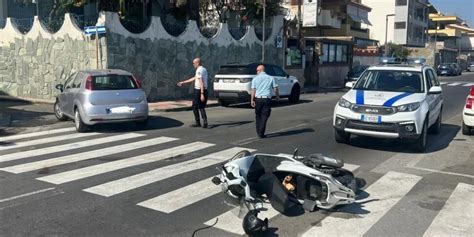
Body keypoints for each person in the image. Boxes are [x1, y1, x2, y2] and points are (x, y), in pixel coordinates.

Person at [177, 58, 209, 128]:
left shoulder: (199, 70)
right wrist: (183, 82)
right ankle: (203, 122)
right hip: (203, 90)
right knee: (200, 106)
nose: (193, 64)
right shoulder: (203, 69)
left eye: (194, 63)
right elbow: (195, 78)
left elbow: (201, 81)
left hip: (199, 90)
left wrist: (202, 94)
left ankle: (199, 122)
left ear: (197, 63)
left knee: (196, 106)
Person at [251, 64, 279, 138]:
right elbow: (275, 88)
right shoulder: (270, 78)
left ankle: (259, 131)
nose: (256, 72)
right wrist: (277, 96)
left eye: (257, 70)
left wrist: (252, 100)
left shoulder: (255, 79)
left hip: (258, 99)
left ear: (260, 70)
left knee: (258, 115)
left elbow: (253, 90)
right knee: (265, 115)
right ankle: (261, 132)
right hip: (267, 99)